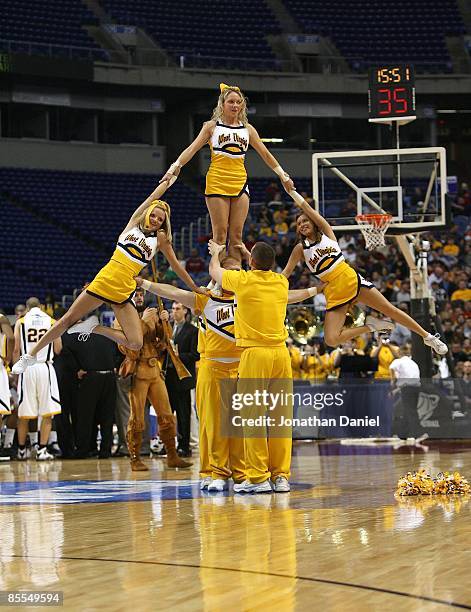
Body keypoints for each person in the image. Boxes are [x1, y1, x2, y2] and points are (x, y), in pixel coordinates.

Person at [13, 179, 204, 375]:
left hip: (124, 287)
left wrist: (194, 287)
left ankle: (94, 328)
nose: (155, 220)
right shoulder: (133, 224)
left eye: (160, 219)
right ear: (147, 213)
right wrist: (169, 178)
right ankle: (29, 356)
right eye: (153, 215)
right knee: (66, 320)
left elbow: (177, 268)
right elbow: (152, 196)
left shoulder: (160, 239)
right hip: (105, 279)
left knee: (136, 342)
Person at [208, 240, 323, 494]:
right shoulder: (281, 282)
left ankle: (258, 477)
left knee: (253, 417)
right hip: (282, 355)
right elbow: (263, 265)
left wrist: (216, 253)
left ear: (250, 263)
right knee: (280, 417)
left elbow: (214, 272)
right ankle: (281, 476)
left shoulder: (243, 282)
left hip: (255, 353)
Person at [281, 190, 448, 356]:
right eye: (299, 223)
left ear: (313, 221)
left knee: (390, 309)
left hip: (349, 279)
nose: (302, 224)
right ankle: (371, 326)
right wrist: (267, 282)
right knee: (331, 339)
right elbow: (285, 273)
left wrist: (292, 192)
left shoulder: (326, 232)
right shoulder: (300, 249)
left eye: (305, 220)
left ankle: (428, 337)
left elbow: (308, 208)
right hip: (333, 290)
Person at [159, 83, 294, 262]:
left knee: (237, 237)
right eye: (231, 101)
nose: (235, 105)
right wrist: (173, 169)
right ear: (222, 104)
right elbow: (191, 150)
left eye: (239, 102)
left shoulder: (248, 129)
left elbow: (266, 154)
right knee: (220, 236)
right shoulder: (211, 127)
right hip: (217, 181)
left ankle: (233, 281)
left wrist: (283, 176)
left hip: (240, 182)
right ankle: (217, 281)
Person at [13, 297, 62, 461]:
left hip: (27, 367)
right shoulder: (51, 321)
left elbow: (16, 349)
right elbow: (58, 348)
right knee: (48, 413)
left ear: (27, 308)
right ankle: (42, 450)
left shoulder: (21, 322)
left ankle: (21, 451)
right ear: (41, 307)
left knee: (24, 413)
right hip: (45, 368)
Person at [164, 302, 199, 457]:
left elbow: (195, 355)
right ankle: (170, 446)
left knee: (184, 414)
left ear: (185, 311)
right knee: (168, 414)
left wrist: (179, 356)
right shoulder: (167, 328)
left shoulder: (193, 331)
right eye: (173, 309)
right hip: (168, 377)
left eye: (178, 309)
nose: (174, 312)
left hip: (184, 378)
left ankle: (184, 447)